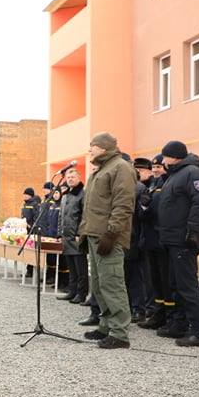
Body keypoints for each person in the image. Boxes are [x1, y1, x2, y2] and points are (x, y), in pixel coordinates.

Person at [77, 132, 136, 349]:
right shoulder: (100, 170)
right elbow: (91, 207)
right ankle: (105, 325)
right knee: (99, 284)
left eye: (92, 146)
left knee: (112, 283)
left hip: (108, 237)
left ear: (103, 147)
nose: (89, 149)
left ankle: (120, 333)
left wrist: (112, 234)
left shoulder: (120, 168)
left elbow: (123, 205)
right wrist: (85, 232)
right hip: (94, 235)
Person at [157, 140, 199, 347]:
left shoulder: (192, 173)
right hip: (172, 239)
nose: (162, 160)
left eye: (165, 156)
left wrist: (193, 232)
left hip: (184, 240)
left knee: (188, 286)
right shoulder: (175, 174)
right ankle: (179, 325)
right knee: (177, 285)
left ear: (175, 156)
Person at [139, 155, 171, 330]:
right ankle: (158, 314)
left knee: (166, 281)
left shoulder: (168, 183)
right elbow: (146, 214)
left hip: (162, 240)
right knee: (155, 281)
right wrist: (144, 207)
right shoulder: (153, 185)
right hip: (150, 239)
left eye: (159, 166)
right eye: (154, 167)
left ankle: (169, 316)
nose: (156, 170)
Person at [127, 158, 154, 323]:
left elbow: (141, 215)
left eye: (141, 170)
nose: (138, 172)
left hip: (139, 237)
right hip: (133, 237)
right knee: (132, 275)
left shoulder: (141, 188)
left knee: (140, 276)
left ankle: (141, 308)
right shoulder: (137, 186)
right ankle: (136, 307)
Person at [58, 168, 89, 306]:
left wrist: (79, 234)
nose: (70, 179)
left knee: (80, 267)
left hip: (76, 237)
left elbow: (84, 216)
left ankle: (81, 293)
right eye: (68, 177)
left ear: (79, 177)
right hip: (66, 237)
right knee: (71, 266)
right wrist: (59, 233)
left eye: (73, 176)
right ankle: (72, 290)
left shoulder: (83, 194)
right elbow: (61, 217)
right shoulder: (65, 195)